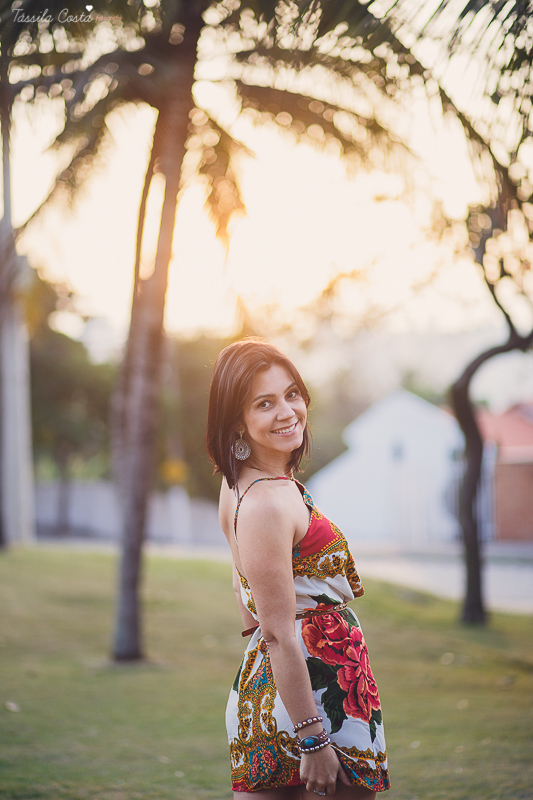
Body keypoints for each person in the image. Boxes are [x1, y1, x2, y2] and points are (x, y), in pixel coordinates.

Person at [205, 338, 390, 799]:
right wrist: (310, 736)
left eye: (291, 394)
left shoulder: (244, 486)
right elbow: (278, 633)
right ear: (238, 423)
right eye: (264, 403)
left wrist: (267, 684)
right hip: (316, 701)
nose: (288, 411)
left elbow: (240, 588)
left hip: (290, 688)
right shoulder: (265, 503)